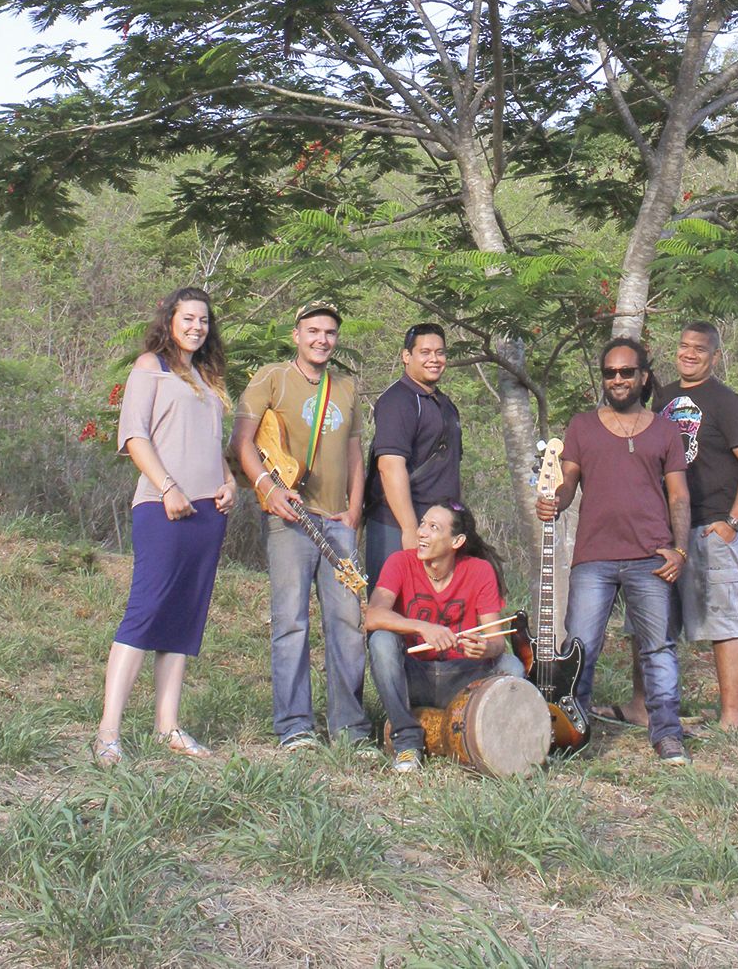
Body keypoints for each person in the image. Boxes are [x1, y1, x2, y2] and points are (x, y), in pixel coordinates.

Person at [93, 286, 236, 767]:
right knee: (147, 609)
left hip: (207, 512)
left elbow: (210, 444)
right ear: (170, 321)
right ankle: (108, 733)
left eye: (203, 320)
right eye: (188, 318)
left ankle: (167, 726)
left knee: (185, 614)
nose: (196, 327)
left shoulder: (205, 376)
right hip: (162, 505)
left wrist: (230, 481)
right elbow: (135, 436)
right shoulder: (148, 368)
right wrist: (168, 486)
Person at [534, 337, 692, 765]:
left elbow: (678, 496)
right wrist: (554, 499)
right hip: (594, 558)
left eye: (626, 372)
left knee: (657, 648)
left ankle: (667, 735)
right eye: (610, 373)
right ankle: (572, 729)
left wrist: (680, 549)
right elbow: (566, 484)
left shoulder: (665, 429)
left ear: (643, 376)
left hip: (652, 557)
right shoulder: (582, 426)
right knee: (580, 647)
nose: (617, 379)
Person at [230, 301, 372, 750]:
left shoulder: (346, 387)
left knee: (348, 624)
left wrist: (354, 511)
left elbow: (354, 455)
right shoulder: (271, 378)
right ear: (296, 334)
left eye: (329, 332)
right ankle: (294, 727)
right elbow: (242, 442)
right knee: (291, 623)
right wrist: (268, 490)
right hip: (290, 519)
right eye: (313, 331)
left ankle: (348, 729)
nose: (321, 339)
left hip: (338, 523)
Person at [612, 321, 738, 732]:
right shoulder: (660, 399)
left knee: (721, 622)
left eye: (700, 349)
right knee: (648, 622)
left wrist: (732, 522)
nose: (690, 354)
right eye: (684, 346)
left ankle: (732, 719)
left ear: (714, 356)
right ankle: (641, 707)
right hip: (662, 531)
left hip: (710, 528)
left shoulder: (725, 402)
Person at [365, 499, 523, 772]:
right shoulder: (400, 562)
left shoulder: (479, 570)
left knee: (512, 667)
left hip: (463, 678)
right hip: (416, 676)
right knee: (381, 640)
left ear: (456, 541)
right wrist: (422, 627)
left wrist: (486, 648)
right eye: (423, 523)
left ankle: (492, 746)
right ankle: (407, 742)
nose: (422, 532)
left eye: (433, 527)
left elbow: (498, 641)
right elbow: (373, 616)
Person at [364, 322, 462, 592]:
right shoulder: (399, 401)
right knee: (391, 611)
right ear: (407, 356)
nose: (434, 359)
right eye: (425, 352)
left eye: (440, 352)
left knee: (432, 613)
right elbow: (389, 466)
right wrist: (409, 529)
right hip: (397, 525)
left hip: (439, 529)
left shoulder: (444, 403)